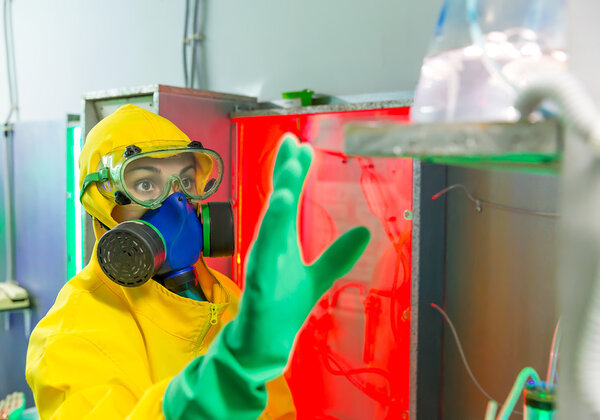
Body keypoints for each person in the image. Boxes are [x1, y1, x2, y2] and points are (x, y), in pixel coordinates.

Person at [26, 104, 370, 419]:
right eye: (146, 184)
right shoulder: (71, 333)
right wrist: (234, 370)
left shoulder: (229, 299)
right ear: (100, 207)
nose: (176, 203)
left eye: (186, 182)